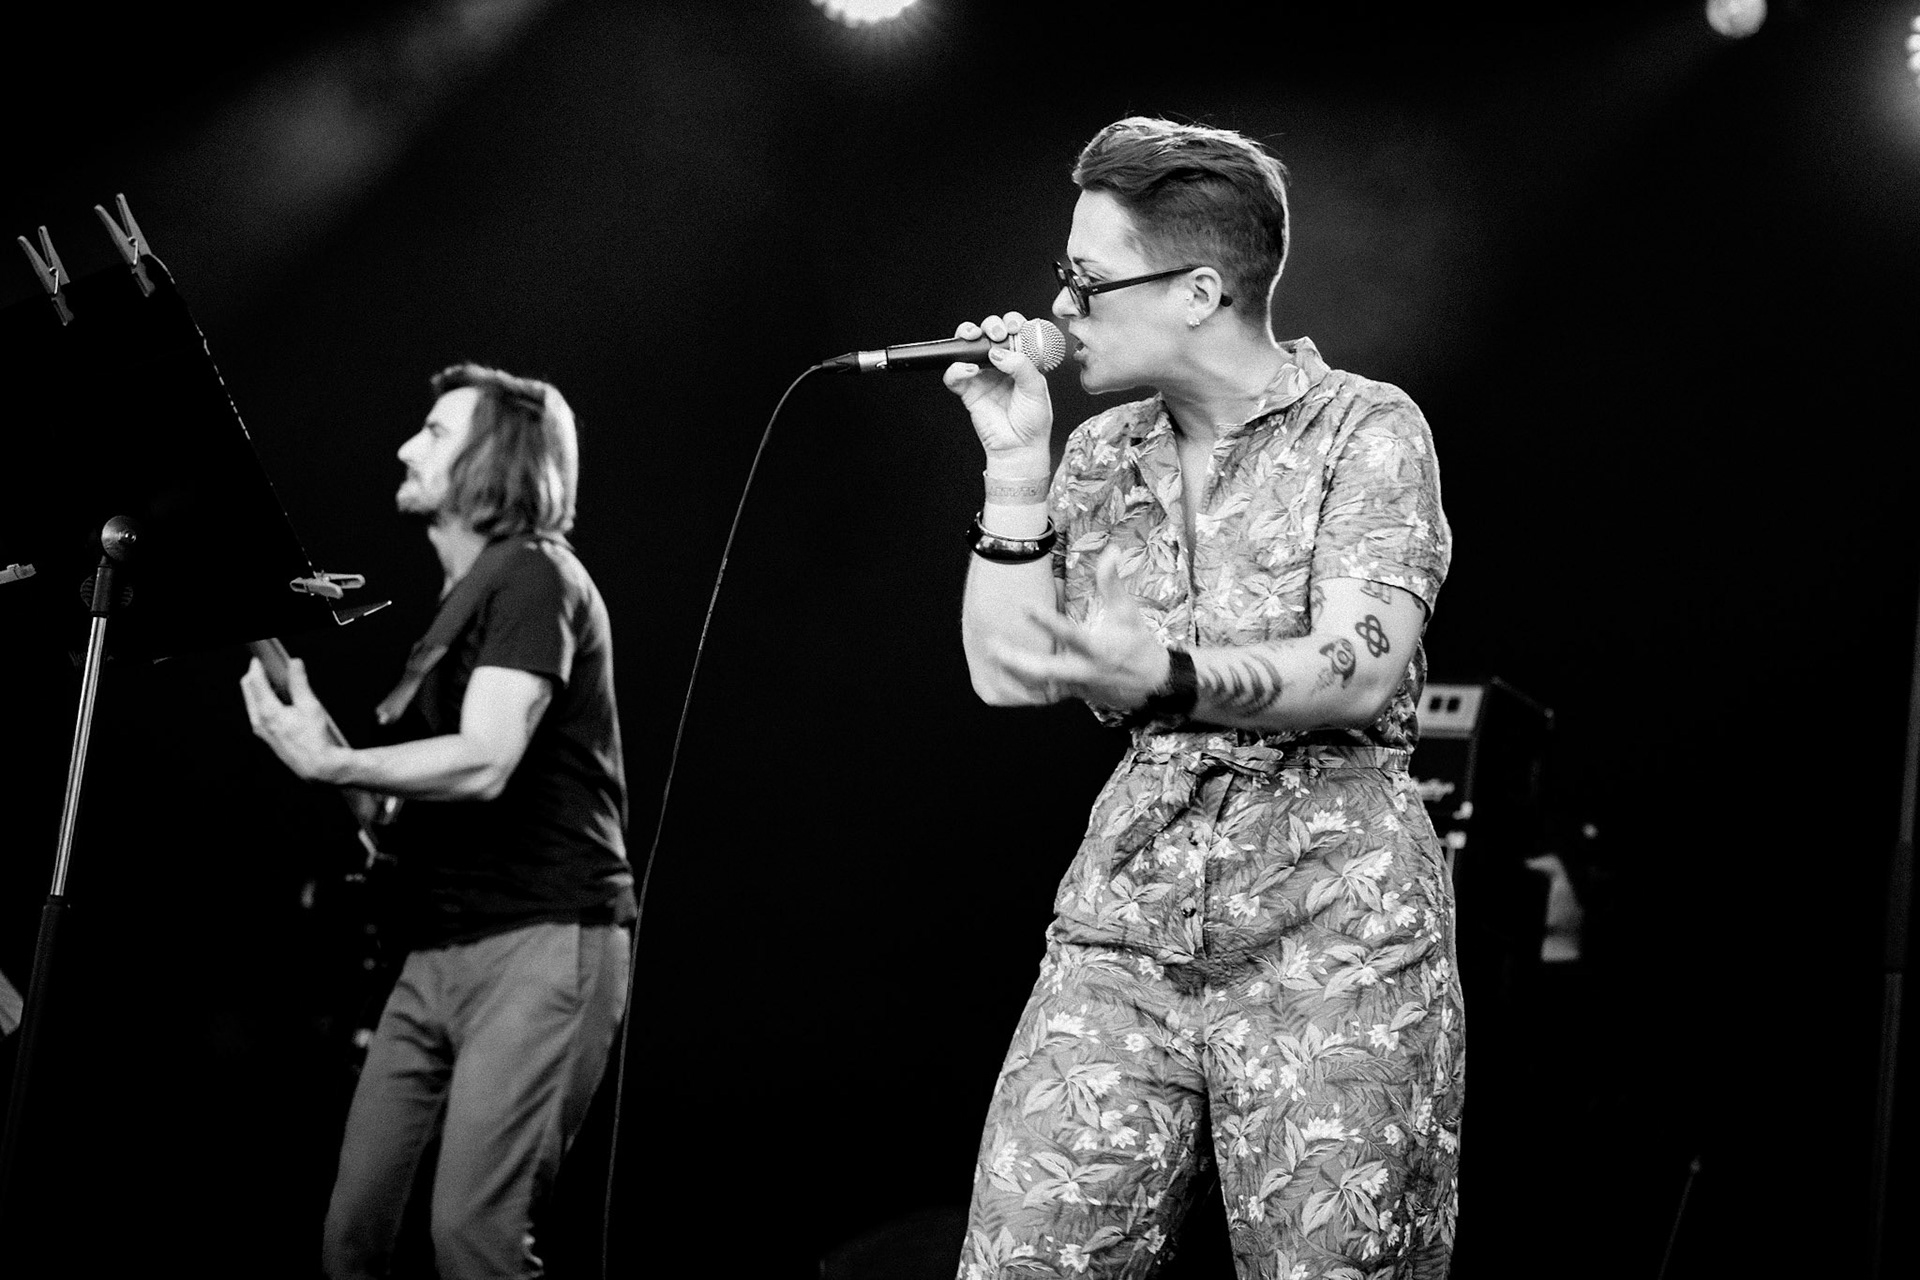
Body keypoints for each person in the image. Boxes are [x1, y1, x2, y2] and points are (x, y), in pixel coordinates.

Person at [943, 118, 1463, 1279]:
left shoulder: (1367, 429)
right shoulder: (1095, 453)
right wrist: (1013, 464)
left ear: (1198, 290)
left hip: (1338, 943)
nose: (1060, 307)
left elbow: (1364, 662)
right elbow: (999, 667)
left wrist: (1170, 676)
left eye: (1084, 280)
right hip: (1125, 934)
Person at [239, 363, 634, 1280]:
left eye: (436, 432)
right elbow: (391, 808)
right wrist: (317, 733)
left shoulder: (535, 576)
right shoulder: (460, 608)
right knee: (350, 1241)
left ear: (498, 461)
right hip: (437, 949)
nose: (406, 445)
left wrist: (332, 759)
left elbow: (488, 758)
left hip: (541, 941)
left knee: (473, 1239)